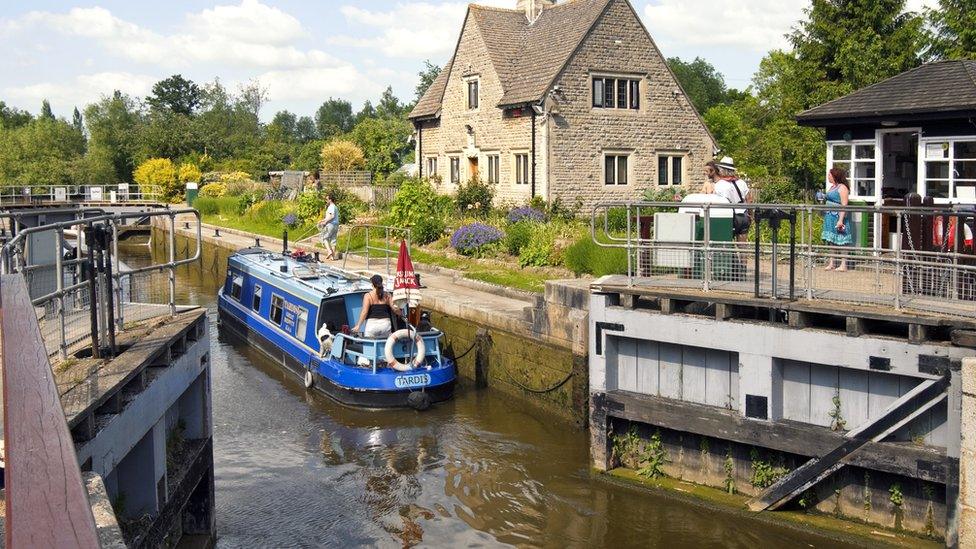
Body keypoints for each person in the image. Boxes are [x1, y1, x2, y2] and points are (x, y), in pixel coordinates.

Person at [822, 168, 854, 271]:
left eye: (830, 175)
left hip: (838, 216)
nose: (828, 177)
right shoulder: (832, 187)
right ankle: (832, 262)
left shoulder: (842, 187)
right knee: (831, 240)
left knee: (842, 239)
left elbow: (844, 204)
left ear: (835, 176)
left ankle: (843, 264)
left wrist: (840, 220)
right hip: (829, 216)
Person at [352, 275, 402, 339]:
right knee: (386, 345)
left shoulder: (368, 296)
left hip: (372, 325)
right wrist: (401, 314)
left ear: (372, 284)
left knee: (369, 345)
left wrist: (358, 326)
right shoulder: (388, 295)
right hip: (385, 325)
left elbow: (364, 312)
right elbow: (395, 309)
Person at [318, 193, 339, 260]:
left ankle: (329, 251)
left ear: (330, 200)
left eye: (327, 199)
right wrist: (322, 220)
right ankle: (332, 257)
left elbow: (331, 216)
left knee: (324, 238)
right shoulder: (335, 207)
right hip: (336, 225)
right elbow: (330, 216)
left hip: (331, 225)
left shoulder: (331, 207)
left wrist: (325, 222)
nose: (326, 200)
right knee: (333, 239)